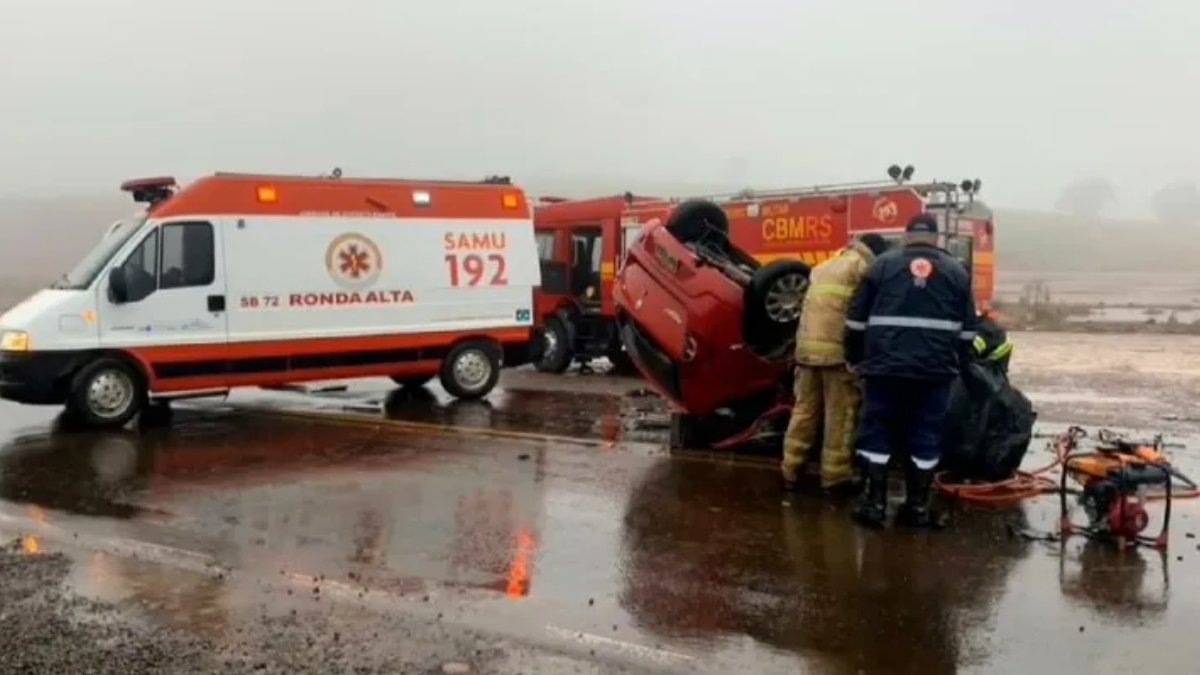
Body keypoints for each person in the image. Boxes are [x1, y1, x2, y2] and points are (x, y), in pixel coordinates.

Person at [844, 214, 978, 528]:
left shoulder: (881, 266)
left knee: (877, 429)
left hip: (884, 368)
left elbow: (855, 320)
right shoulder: (957, 272)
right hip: (935, 372)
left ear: (906, 236)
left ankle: (874, 505)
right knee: (926, 434)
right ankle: (917, 508)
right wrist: (957, 363)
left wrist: (854, 357)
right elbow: (968, 331)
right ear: (936, 238)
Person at [781, 233, 889, 495]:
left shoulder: (824, 266)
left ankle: (790, 471)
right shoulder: (864, 268)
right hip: (836, 355)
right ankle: (835, 478)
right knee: (839, 416)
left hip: (806, 352)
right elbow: (867, 313)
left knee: (804, 411)